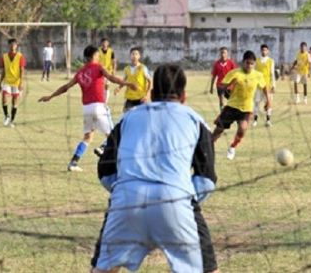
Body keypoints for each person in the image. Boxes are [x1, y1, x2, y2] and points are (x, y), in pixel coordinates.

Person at [91, 64, 219, 273]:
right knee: (207, 269)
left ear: (151, 93)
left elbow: (105, 171)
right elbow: (206, 180)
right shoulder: (195, 120)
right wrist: (183, 195)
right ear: (184, 95)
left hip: (127, 201)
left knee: (103, 268)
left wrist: (126, 189)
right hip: (175, 200)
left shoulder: (128, 118)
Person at [38, 45, 137, 172]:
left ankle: (73, 162)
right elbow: (111, 78)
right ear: (93, 56)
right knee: (114, 137)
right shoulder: (98, 67)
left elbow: (66, 87)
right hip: (99, 107)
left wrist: (50, 96)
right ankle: (120, 165)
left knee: (88, 137)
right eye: (97, 55)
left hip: (86, 108)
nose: (99, 56)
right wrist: (128, 83)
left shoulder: (80, 72)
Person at [212, 50, 271, 160]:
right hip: (231, 106)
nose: (249, 65)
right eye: (247, 63)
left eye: (252, 63)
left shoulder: (258, 75)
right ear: (243, 62)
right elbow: (222, 86)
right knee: (218, 130)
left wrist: (269, 101)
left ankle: (232, 147)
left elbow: (264, 87)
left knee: (243, 129)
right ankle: (208, 149)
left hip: (246, 108)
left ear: (254, 64)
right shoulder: (235, 73)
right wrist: (226, 88)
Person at [0, 38, 26, 128]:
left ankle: (12, 121)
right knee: (4, 98)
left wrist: (21, 82)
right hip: (7, 82)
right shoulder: (4, 57)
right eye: (11, 44)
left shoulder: (20, 56)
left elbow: (22, 70)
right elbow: (3, 71)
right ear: (8, 45)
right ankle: (6, 116)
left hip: (16, 83)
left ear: (16, 46)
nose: (12, 46)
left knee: (14, 102)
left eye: (14, 44)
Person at [114, 47, 152, 112]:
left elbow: (150, 81)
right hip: (130, 98)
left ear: (139, 56)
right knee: (126, 116)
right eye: (133, 54)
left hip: (141, 98)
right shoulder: (127, 69)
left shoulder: (143, 68)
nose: (134, 56)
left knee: (140, 117)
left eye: (136, 54)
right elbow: (124, 81)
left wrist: (147, 95)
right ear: (130, 56)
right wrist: (119, 88)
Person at [253, 44, 275, 127]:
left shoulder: (271, 61)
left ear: (268, 51)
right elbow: (254, 73)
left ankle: (268, 120)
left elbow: (272, 74)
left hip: (267, 86)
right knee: (256, 103)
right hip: (258, 86)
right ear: (260, 51)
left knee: (268, 102)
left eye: (265, 50)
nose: (264, 51)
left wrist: (274, 85)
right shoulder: (257, 61)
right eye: (263, 50)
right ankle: (255, 120)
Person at [98, 38, 117, 102]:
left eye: (106, 42)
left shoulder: (111, 51)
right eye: (103, 42)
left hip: (108, 71)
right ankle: (100, 99)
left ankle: (105, 101)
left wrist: (114, 70)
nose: (104, 44)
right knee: (100, 86)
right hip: (100, 71)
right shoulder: (98, 51)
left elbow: (114, 61)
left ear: (108, 43)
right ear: (101, 43)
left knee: (107, 86)